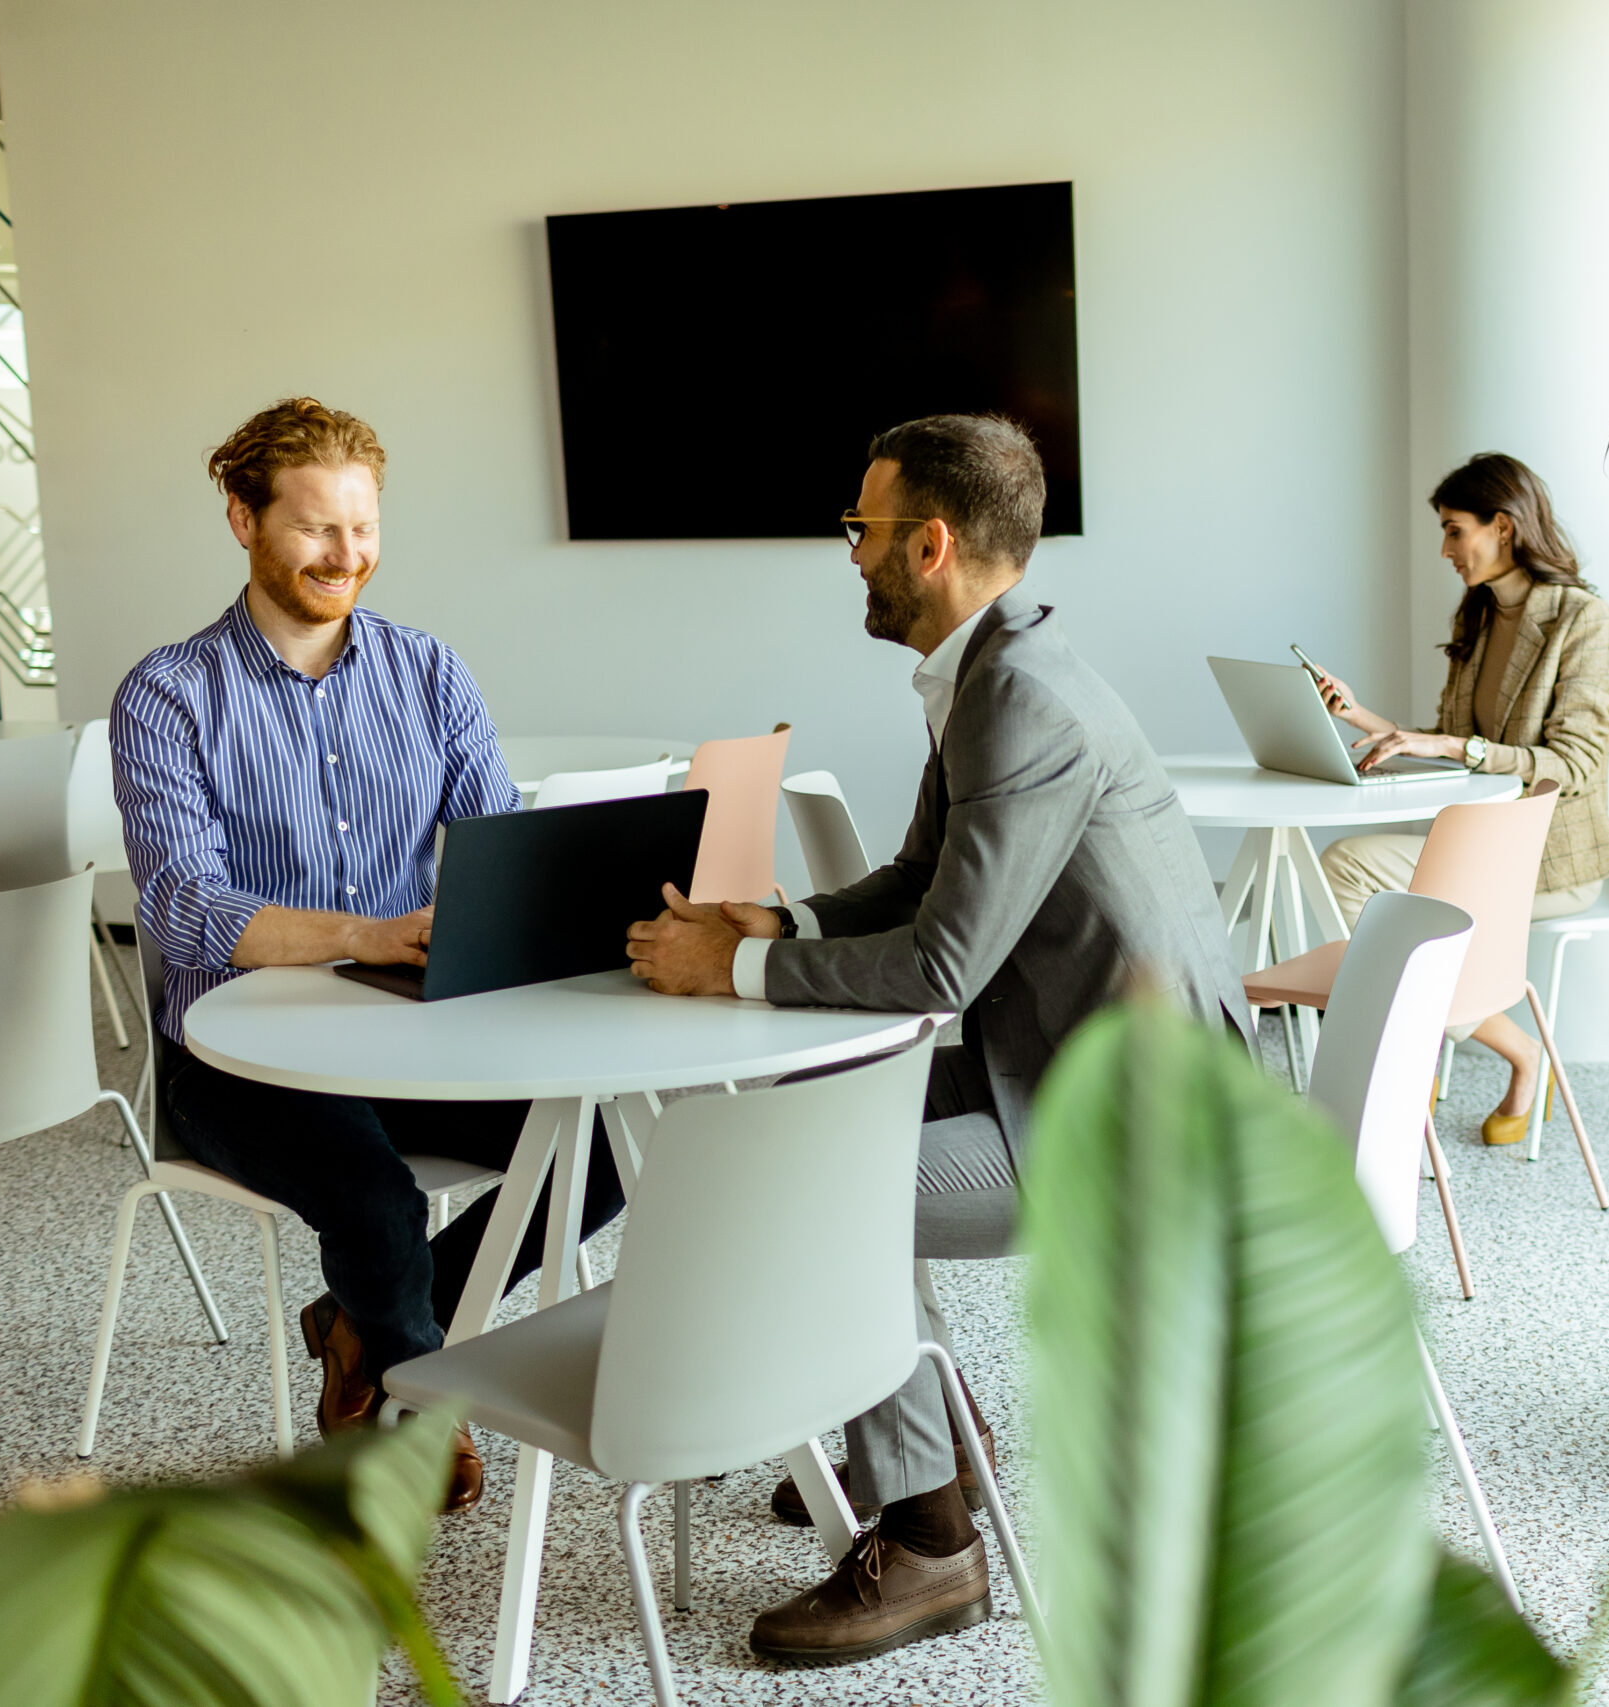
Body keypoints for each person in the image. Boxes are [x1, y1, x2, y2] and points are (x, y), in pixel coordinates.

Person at [628, 413, 1247, 1668]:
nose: (848, 553)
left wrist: (733, 966)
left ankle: (929, 1543)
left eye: (860, 529)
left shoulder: (1015, 695)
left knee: (823, 1201)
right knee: (804, 1126)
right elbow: (921, 880)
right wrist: (780, 918)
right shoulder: (995, 665)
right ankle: (916, 1429)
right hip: (1076, 1054)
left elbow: (942, 964)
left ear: (929, 543)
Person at [111, 397, 625, 1510]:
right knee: (376, 1203)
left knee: (606, 1150)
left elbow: (496, 851)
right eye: (316, 529)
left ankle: (378, 1322)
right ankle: (412, 1400)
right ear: (243, 521)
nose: (349, 557)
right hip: (238, 1058)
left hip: (411, 1033)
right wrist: (363, 937)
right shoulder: (166, 695)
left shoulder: (429, 672)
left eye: (364, 528)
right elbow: (190, 908)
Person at [1310, 453, 1609, 1147]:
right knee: (1357, 883)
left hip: (1551, 860)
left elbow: (1573, 762)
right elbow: (1455, 738)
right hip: (1481, 850)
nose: (1446, 550)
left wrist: (1450, 749)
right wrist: (1364, 719)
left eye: (1456, 531)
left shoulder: (1584, 620)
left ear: (1504, 528)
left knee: (1350, 873)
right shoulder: (1481, 616)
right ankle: (1516, 1050)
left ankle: (1427, 1043)